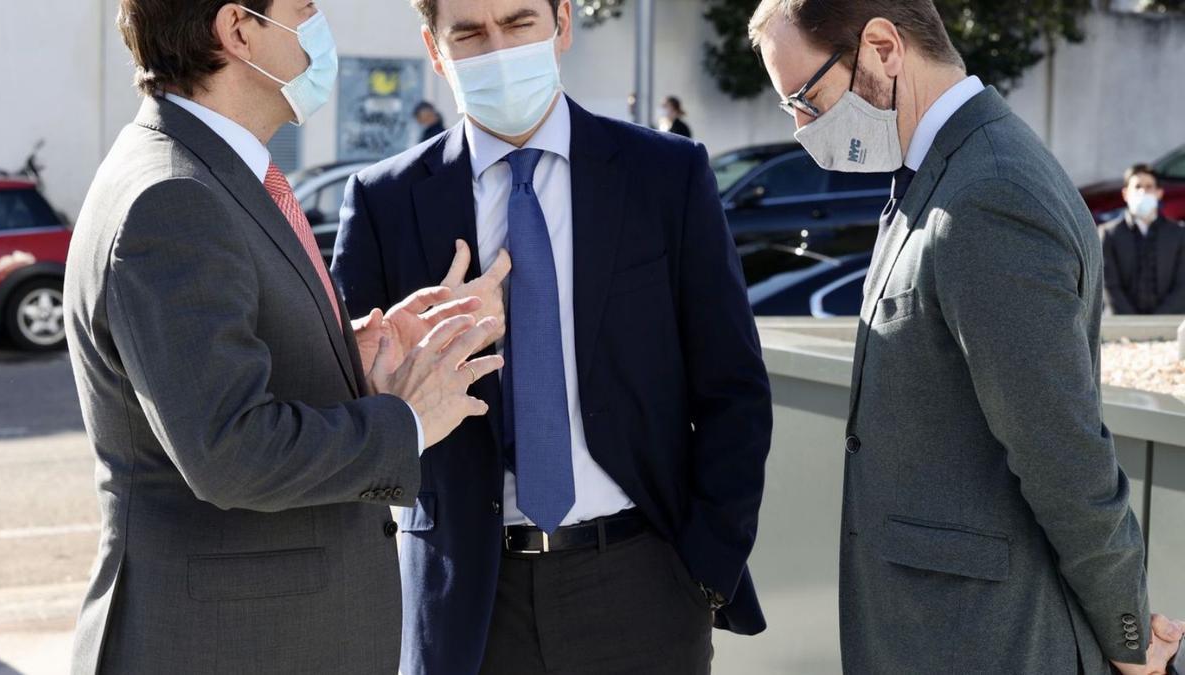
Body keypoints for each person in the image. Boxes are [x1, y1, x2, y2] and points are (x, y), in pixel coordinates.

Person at [331, 0, 773, 672]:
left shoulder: (665, 176)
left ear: (562, 23)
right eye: (471, 33)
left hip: (642, 584)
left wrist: (705, 568)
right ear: (434, 47)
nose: (499, 50)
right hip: (464, 602)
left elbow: (732, 388)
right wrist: (411, 356)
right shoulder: (383, 202)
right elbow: (347, 411)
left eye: (518, 23)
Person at [63, 1, 505, 672]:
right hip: (226, 644)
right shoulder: (173, 196)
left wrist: (355, 351)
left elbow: (229, 363)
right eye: (304, 8)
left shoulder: (211, 172)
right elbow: (230, 448)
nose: (318, 24)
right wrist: (407, 422)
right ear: (238, 31)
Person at [748, 0, 1183, 673]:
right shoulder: (939, 172)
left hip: (983, 640)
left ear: (885, 49)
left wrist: (1129, 635)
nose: (802, 128)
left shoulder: (989, 193)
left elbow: (1062, 452)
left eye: (806, 98)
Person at [1102, 163, 1185, 315]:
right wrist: (1133, 322)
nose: (1143, 191)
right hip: (1121, 326)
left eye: (1149, 186)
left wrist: (1156, 321)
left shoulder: (1178, 234)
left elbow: (1182, 286)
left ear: (1159, 193)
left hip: (1168, 324)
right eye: (1137, 186)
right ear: (1125, 193)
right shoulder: (1109, 234)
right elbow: (1109, 286)